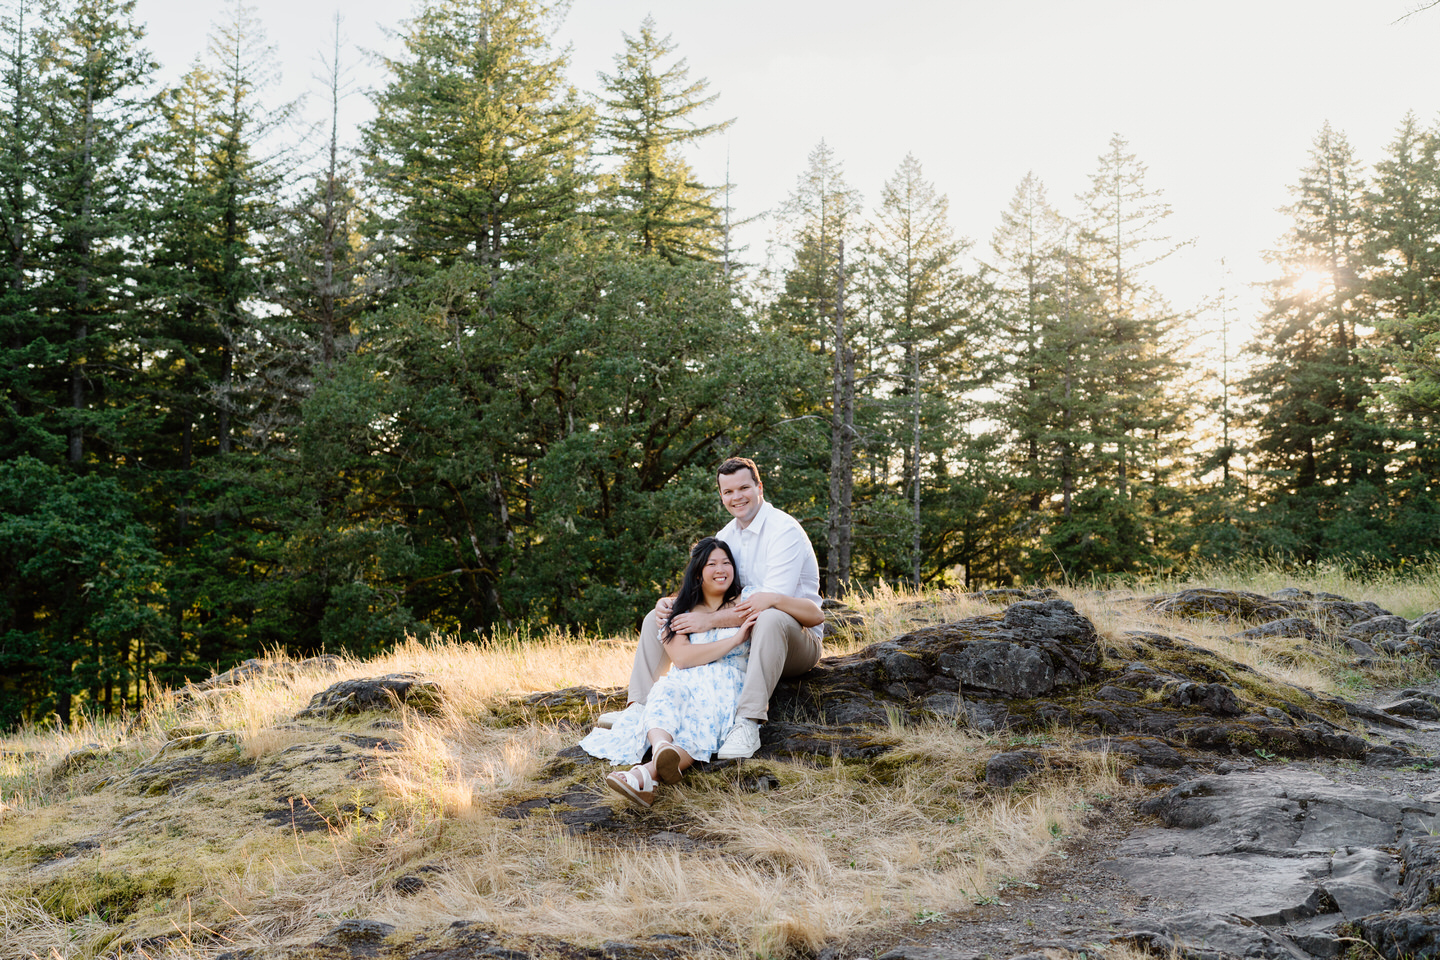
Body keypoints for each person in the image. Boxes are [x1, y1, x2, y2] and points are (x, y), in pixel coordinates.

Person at [599, 457, 825, 761]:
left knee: (770, 618)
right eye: (728, 492)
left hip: (795, 639)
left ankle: (748, 721)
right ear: (721, 496)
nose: (737, 497)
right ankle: (639, 707)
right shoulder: (727, 534)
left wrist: (706, 621)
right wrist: (673, 601)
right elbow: (710, 582)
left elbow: (765, 607)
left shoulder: (784, 531)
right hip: (745, 639)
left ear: (759, 487)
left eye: (744, 488)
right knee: (659, 617)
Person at [580, 537, 823, 807]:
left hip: (727, 684)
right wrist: (734, 639)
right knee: (665, 690)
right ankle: (660, 751)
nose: (721, 569)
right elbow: (682, 659)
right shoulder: (678, 609)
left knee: (700, 721)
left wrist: (775, 599)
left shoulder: (748, 598)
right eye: (712, 564)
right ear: (698, 572)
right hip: (687, 681)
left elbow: (815, 615)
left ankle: (644, 773)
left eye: (726, 562)